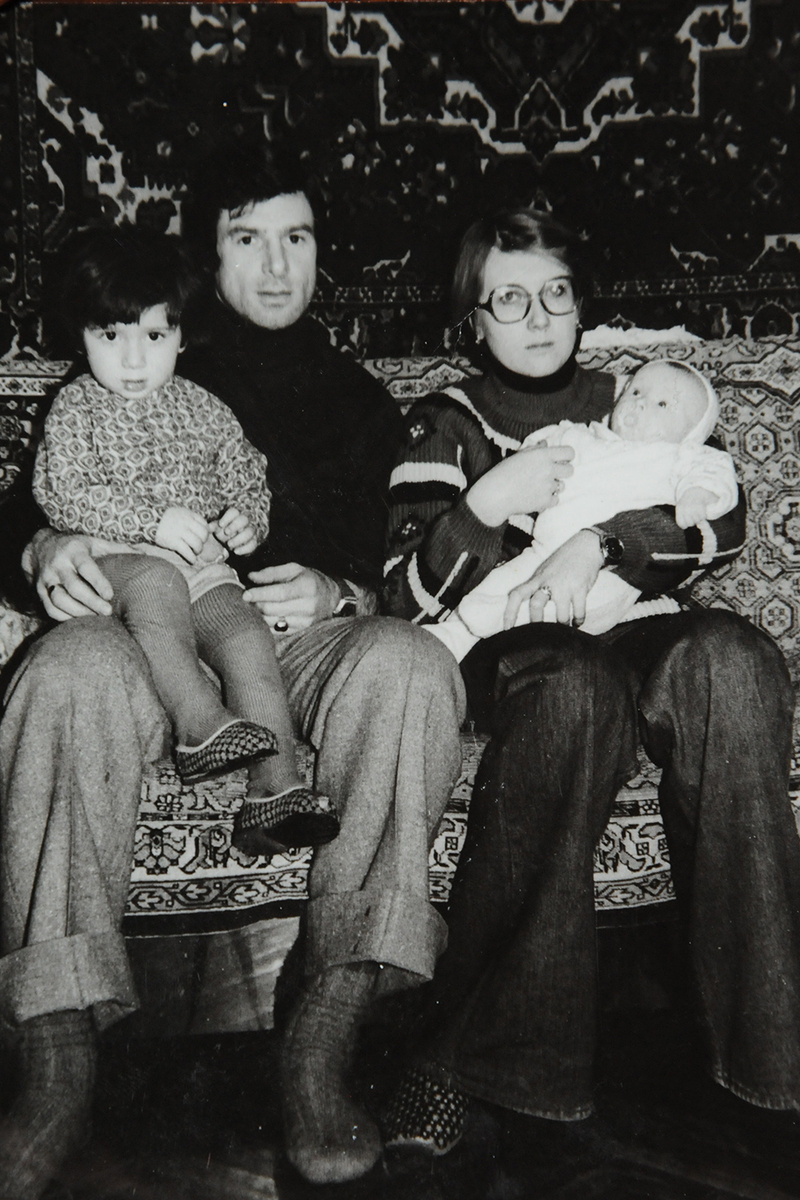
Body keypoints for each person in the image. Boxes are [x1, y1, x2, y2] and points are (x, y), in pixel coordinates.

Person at [0, 145, 466, 1197]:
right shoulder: (142, 350)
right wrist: (43, 547)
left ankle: (324, 1033)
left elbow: (400, 561)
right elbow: (30, 499)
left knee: (409, 666)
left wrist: (343, 593)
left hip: (290, 640)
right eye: (247, 238)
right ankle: (57, 1057)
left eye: (297, 237)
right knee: (62, 673)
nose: (276, 263)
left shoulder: (358, 399)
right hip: (141, 627)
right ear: (207, 258)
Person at [382, 205, 800, 1153]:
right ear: (472, 319)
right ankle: (475, 1061)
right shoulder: (445, 419)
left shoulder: (641, 396)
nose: (538, 317)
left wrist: (600, 543)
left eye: (557, 293)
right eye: (510, 299)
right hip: (514, 643)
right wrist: (486, 504)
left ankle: (772, 1062)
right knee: (575, 687)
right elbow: (402, 592)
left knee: (732, 663)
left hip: (634, 618)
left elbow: (721, 521)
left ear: (581, 305)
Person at [32, 224, 337, 850]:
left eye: (154, 335)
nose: (133, 359)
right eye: (110, 335)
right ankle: (198, 725)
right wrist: (151, 522)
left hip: (203, 571)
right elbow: (61, 492)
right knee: (155, 579)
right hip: (119, 565)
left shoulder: (204, 408)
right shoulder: (75, 408)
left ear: (180, 334)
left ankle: (275, 793)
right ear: (82, 334)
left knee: (246, 635)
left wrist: (245, 520)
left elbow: (247, 472)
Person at [428, 357, 738, 660]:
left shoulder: (679, 457)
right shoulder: (583, 436)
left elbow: (715, 473)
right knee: (498, 583)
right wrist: (532, 452)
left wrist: (698, 494)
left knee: (579, 603)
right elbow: (543, 446)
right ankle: (455, 633)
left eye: (663, 404)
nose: (641, 404)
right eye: (635, 392)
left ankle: (496, 624)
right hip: (543, 552)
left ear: (693, 434)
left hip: (614, 573)